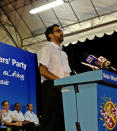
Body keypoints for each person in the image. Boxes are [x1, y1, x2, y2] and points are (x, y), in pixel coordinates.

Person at [37, 24, 71, 131]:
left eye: (61, 30)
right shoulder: (46, 49)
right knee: (49, 122)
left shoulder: (64, 54)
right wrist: (60, 81)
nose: (61, 32)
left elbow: (67, 74)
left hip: (64, 89)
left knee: (62, 122)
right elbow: (42, 70)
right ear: (50, 35)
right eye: (58, 31)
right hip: (51, 87)